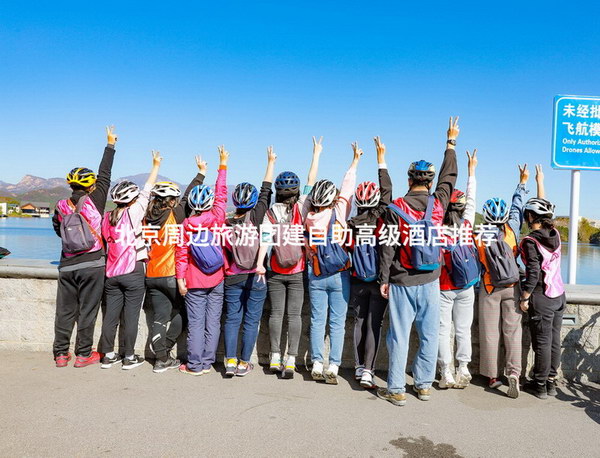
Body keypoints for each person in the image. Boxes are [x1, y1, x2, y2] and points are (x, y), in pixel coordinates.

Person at [377, 117, 459, 406]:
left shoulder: (396, 208)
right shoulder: (439, 204)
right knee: (429, 334)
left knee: (398, 336)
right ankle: (423, 384)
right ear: (430, 181)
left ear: (409, 179)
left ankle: (397, 388)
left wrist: (384, 279)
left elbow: (387, 246)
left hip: (401, 280)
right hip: (431, 279)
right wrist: (450, 143)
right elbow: (449, 178)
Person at [255, 137, 323, 379]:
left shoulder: (271, 212)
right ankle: (291, 360)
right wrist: (316, 153)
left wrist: (261, 265)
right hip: (296, 270)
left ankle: (274, 356)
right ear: (295, 192)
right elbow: (311, 181)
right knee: (294, 316)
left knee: (275, 314)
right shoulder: (302, 206)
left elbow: (265, 238)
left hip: (274, 270)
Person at [52, 126, 118, 368]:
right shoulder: (95, 200)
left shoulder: (60, 205)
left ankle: (60, 354)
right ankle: (82, 355)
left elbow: (58, 230)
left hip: (67, 265)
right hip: (92, 264)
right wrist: (110, 145)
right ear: (91, 186)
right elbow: (105, 173)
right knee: (87, 311)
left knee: (65, 312)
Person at [305, 140, 362, 385]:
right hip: (340, 275)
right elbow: (348, 186)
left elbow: (309, 183)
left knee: (318, 320)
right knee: (337, 322)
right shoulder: (339, 213)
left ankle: (317, 361)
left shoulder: (308, 215)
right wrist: (355, 160)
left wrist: (316, 154)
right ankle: (334, 366)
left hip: (316, 273)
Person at [98, 151, 162, 369]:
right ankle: (128, 357)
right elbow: (148, 189)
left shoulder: (107, 218)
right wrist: (155, 166)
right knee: (131, 316)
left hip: (111, 273)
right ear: (132, 199)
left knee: (111, 316)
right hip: (133, 270)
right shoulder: (135, 212)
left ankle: (107, 355)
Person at [145, 157, 207, 373]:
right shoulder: (175, 215)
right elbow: (190, 197)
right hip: (172, 274)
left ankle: (161, 357)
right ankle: (166, 349)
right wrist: (200, 174)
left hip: (152, 275)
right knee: (184, 314)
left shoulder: (146, 218)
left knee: (160, 317)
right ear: (171, 200)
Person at [476, 164, 530, 399]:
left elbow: (477, 263)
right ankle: (514, 373)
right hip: (513, 286)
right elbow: (517, 208)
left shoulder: (480, 235)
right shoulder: (512, 230)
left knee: (490, 333)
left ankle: (492, 376)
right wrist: (522, 183)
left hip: (489, 288)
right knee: (513, 332)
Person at [222, 147, 276, 377]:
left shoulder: (226, 222)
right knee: (251, 320)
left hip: (233, 276)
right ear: (254, 202)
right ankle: (244, 363)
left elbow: (224, 250)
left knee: (233, 319)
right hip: (257, 274)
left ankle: (230, 362)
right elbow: (266, 190)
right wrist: (270, 162)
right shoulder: (257, 216)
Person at [176, 147, 229, 375]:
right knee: (213, 322)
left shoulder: (186, 225)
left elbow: (181, 254)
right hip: (217, 277)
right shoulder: (217, 218)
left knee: (196, 324)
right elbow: (222, 194)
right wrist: (222, 165)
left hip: (194, 280)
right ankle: (207, 363)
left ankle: (194, 365)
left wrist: (180, 279)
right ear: (209, 204)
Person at [347, 136, 392, 389]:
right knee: (375, 323)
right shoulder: (380, 219)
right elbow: (387, 194)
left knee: (359, 321)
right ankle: (368, 371)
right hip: (378, 280)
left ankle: (356, 366)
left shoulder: (352, 224)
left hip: (356, 280)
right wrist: (381, 159)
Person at [519, 165, 565, 399]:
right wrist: (540, 181)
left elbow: (533, 272)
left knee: (543, 343)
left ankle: (539, 385)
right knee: (554, 340)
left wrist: (525, 297)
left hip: (543, 296)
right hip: (559, 295)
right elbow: (543, 208)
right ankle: (551, 382)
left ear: (529, 217)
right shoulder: (554, 234)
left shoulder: (530, 241)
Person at [437, 149, 478, 389]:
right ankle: (463, 367)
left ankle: (446, 372)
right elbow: (472, 199)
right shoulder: (468, 225)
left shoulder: (436, 229)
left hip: (443, 286)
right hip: (467, 285)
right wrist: (472, 171)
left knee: (444, 330)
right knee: (463, 329)